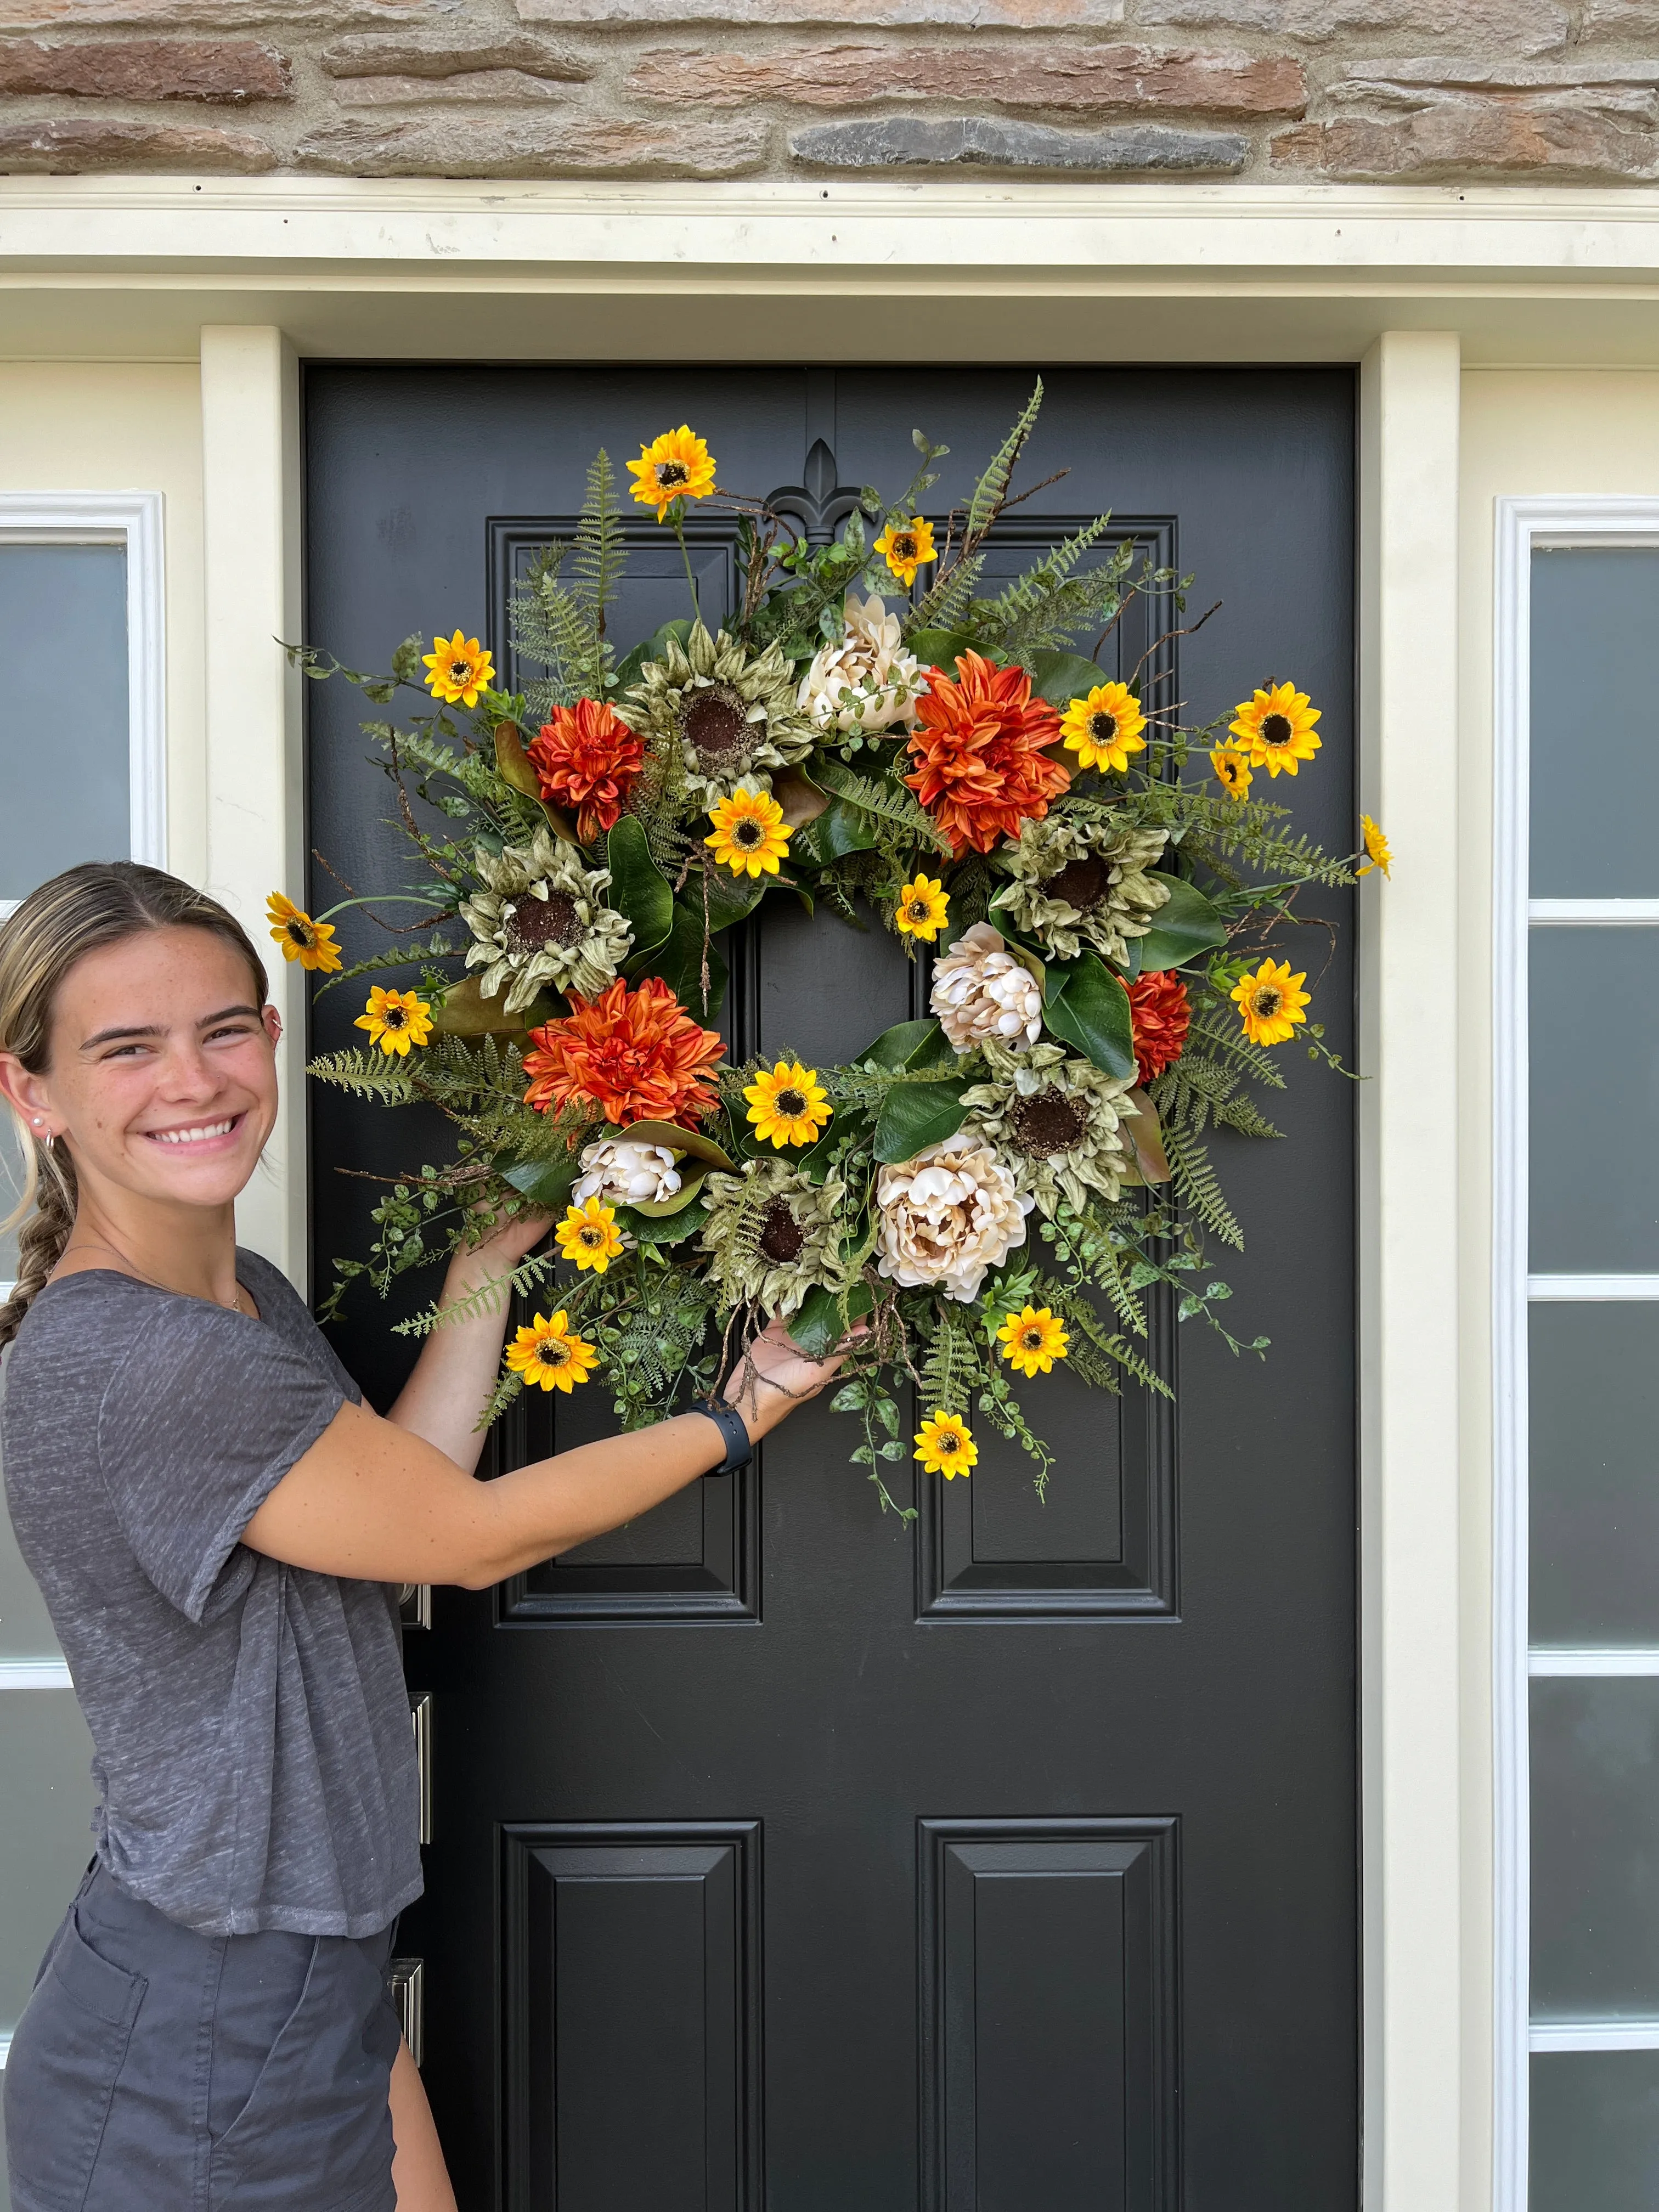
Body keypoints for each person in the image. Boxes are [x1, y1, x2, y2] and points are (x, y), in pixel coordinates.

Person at [0, 860, 845, 2212]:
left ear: (274, 1038)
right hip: (201, 2036)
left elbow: (396, 1509)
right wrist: (736, 1417)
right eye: (127, 1048)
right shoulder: (143, 1358)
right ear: (31, 1092)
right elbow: (464, 1539)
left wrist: (483, 1266)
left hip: (293, 1974)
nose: (195, 1079)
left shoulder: (241, 1303)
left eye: (224, 1028)